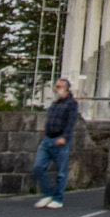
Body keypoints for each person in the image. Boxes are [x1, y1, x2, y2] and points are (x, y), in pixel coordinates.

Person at [32, 77, 79, 209]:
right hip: (48, 138)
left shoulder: (71, 103)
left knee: (61, 172)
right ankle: (47, 194)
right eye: (55, 86)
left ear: (65, 89)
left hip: (60, 139)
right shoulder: (55, 104)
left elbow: (71, 122)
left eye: (58, 87)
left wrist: (64, 136)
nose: (55, 89)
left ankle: (58, 198)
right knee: (38, 167)